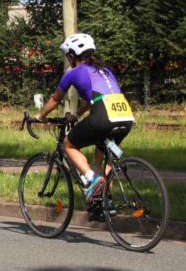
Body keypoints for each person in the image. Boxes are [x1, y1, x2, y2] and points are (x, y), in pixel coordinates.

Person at [35, 33, 134, 211]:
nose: (68, 60)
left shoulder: (73, 72)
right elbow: (92, 100)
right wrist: (76, 114)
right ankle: (105, 202)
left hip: (103, 116)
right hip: (125, 116)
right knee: (104, 154)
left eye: (68, 56)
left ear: (73, 55)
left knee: (68, 144)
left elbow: (55, 99)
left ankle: (90, 178)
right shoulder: (105, 70)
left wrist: (39, 116)